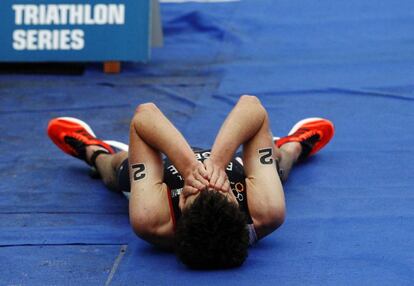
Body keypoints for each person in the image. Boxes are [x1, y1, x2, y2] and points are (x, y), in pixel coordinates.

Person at [47, 95, 334, 269]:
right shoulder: (265, 213)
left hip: (165, 177)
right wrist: (218, 164)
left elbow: (145, 115)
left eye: (196, 191)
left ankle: (92, 150)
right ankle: (294, 146)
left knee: (117, 171)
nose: (207, 181)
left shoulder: (152, 220)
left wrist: (187, 169)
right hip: (233, 166)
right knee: (277, 166)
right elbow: (251, 106)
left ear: (181, 210)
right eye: (221, 191)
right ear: (238, 207)